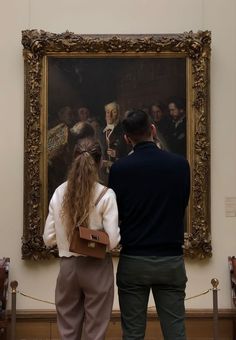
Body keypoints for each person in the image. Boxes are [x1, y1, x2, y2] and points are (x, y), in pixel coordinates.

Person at [108, 110, 190, 340]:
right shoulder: (180, 165)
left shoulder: (119, 169)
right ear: (152, 129)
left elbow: (118, 213)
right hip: (170, 260)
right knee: (176, 333)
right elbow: (182, 203)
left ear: (127, 138)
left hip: (134, 259)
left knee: (133, 334)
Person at [43, 138, 120, 340]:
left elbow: (48, 238)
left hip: (68, 267)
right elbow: (112, 242)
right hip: (97, 265)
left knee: (67, 328)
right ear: (101, 162)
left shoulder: (60, 192)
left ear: (73, 159)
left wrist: (66, 238)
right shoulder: (106, 194)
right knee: (95, 331)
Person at [101, 101, 128, 183]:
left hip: (122, 173)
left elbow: (131, 151)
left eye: (114, 112)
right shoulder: (101, 132)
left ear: (118, 114)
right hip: (106, 175)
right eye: (108, 112)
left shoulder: (124, 130)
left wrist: (117, 154)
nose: (110, 115)